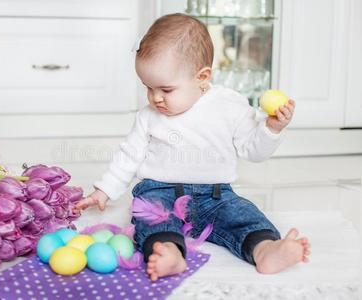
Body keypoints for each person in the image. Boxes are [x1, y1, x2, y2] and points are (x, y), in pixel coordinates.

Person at [74, 13, 310, 281]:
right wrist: (104, 190)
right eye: (148, 88)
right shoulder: (148, 116)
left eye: (166, 89)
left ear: (202, 76)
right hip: (160, 191)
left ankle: (265, 249)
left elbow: (252, 151)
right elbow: (129, 154)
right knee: (151, 220)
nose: (155, 98)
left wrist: (271, 129)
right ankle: (170, 252)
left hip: (217, 195)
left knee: (244, 216)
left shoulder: (229, 106)